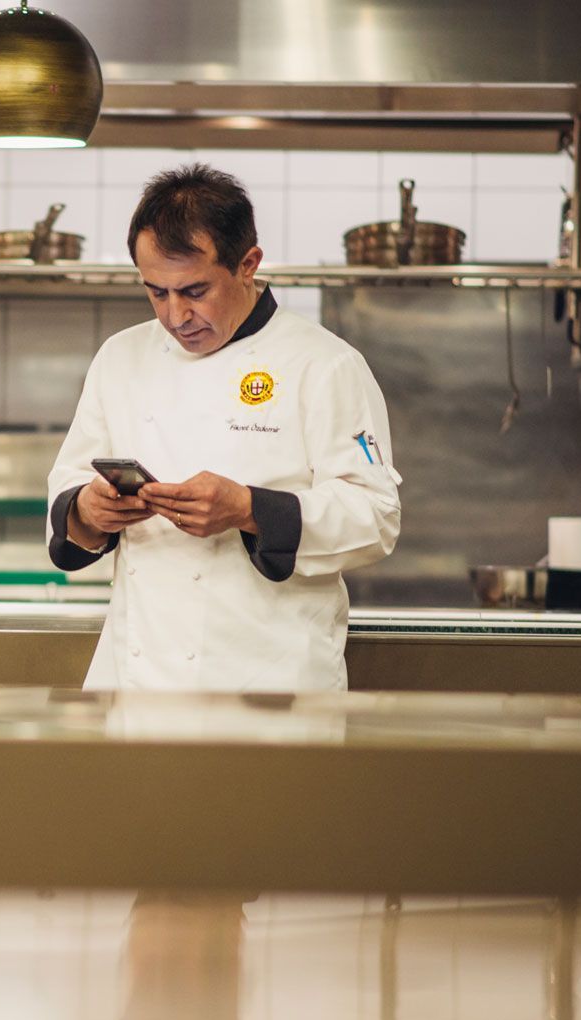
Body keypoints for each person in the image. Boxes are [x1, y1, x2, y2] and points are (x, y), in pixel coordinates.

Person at [47, 165, 402, 692]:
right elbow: (68, 493)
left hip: (271, 686)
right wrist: (88, 510)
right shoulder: (120, 357)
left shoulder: (324, 364)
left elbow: (375, 517)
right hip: (136, 684)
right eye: (156, 293)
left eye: (194, 290)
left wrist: (249, 509)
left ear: (248, 264)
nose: (175, 315)